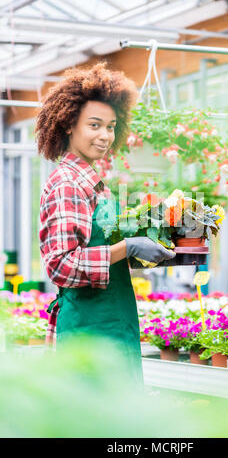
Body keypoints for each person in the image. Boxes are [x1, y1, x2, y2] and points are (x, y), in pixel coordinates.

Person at [37, 62, 176, 386]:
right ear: (69, 124)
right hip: (90, 332)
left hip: (111, 322)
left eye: (111, 127)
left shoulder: (92, 182)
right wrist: (128, 246)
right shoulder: (68, 183)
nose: (105, 136)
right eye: (95, 125)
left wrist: (153, 246)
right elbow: (61, 265)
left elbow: (101, 249)